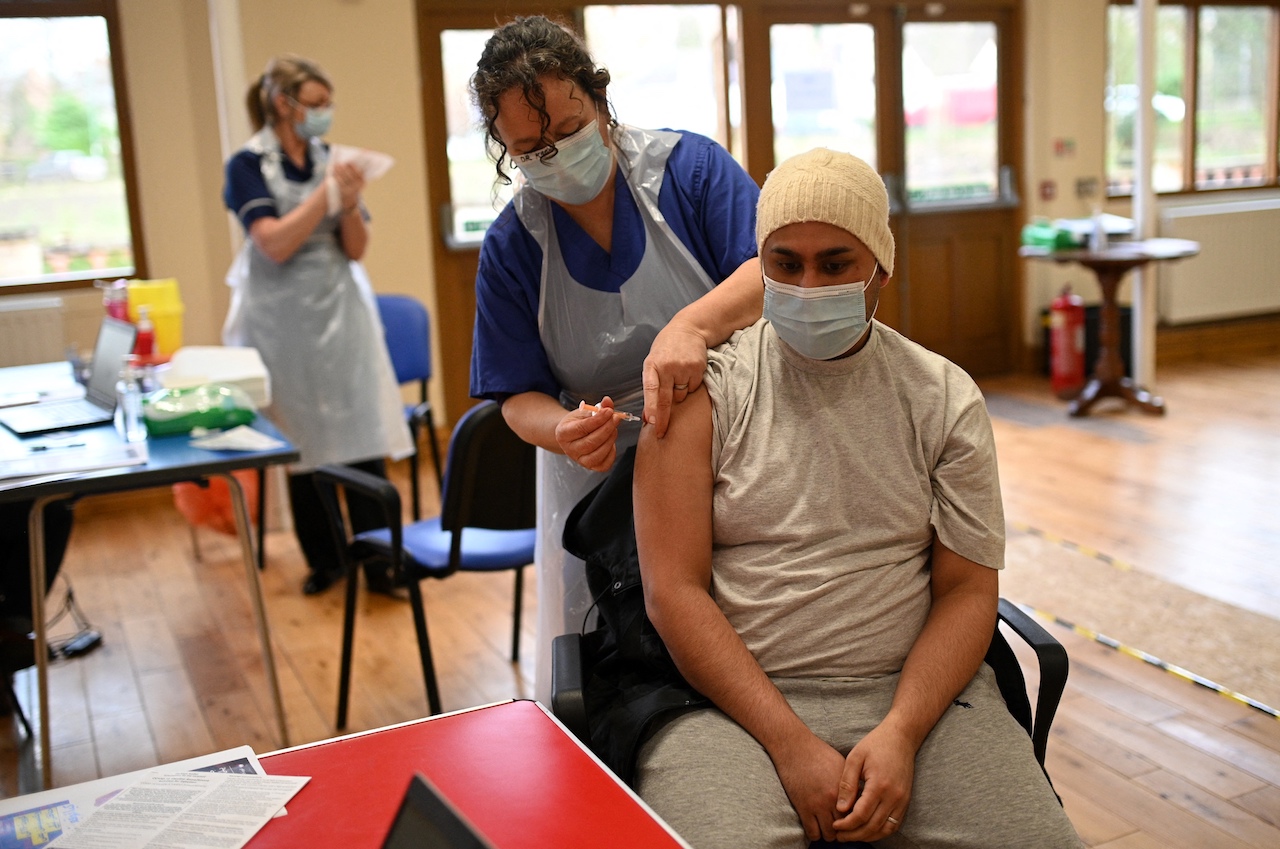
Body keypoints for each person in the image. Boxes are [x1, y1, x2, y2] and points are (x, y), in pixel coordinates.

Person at [632, 148, 1083, 849]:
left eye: (835, 264)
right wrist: (788, 741)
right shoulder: (700, 395)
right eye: (785, 263)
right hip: (730, 704)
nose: (808, 284)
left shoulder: (941, 397)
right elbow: (673, 592)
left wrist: (901, 730)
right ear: (760, 265)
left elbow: (967, 590)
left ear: (881, 269)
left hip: (917, 699)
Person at [467, 16, 763, 701]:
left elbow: (764, 274)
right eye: (530, 149)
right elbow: (516, 396)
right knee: (617, 672)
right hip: (598, 479)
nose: (555, 155)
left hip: (732, 445)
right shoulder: (515, 245)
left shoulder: (688, 172)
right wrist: (561, 431)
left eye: (569, 130)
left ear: (599, 101)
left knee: (743, 637)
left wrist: (692, 325)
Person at [223, 54, 412, 596]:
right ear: (284, 105)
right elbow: (274, 243)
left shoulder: (335, 160)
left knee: (362, 432)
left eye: (329, 105)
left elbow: (355, 249)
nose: (325, 114)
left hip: (340, 310)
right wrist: (324, 197)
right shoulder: (248, 165)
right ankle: (328, 561)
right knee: (301, 441)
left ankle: (381, 562)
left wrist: (348, 204)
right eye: (316, 104)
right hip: (279, 321)